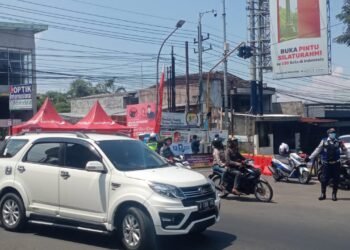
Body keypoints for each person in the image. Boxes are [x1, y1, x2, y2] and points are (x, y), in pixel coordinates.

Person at [307, 128, 347, 201]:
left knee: (336, 180)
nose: (333, 134)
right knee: (324, 179)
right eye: (331, 133)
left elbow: (345, 151)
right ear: (328, 134)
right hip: (326, 164)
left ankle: (334, 194)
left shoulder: (339, 142)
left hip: (336, 164)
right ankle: (323, 194)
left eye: (334, 133)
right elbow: (317, 150)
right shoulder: (324, 141)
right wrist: (310, 158)